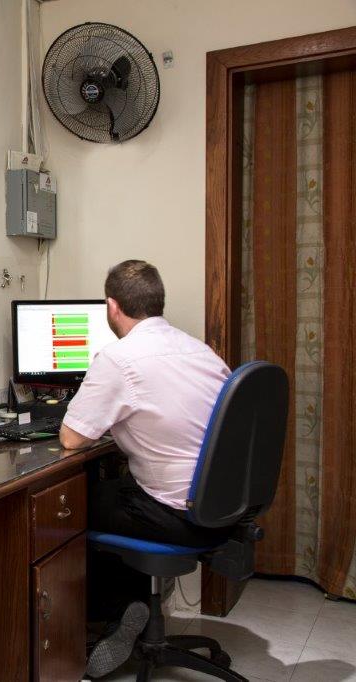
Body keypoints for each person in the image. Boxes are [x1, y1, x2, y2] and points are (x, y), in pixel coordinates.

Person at [58, 260, 231, 678]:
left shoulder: (118, 358)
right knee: (115, 488)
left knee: (67, 507)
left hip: (176, 516)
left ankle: (120, 608)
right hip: (223, 509)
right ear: (157, 302)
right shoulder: (201, 352)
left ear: (112, 306)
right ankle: (132, 602)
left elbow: (71, 438)